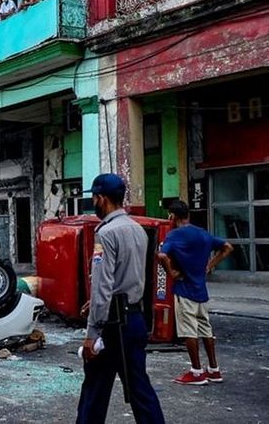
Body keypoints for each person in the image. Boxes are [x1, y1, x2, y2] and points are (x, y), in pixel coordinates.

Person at [76, 173, 165, 424]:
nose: (93, 204)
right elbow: (131, 278)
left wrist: (92, 335)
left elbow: (104, 285)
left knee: (94, 389)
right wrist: (95, 303)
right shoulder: (137, 229)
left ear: (102, 199)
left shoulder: (105, 233)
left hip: (112, 326)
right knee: (139, 389)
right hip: (134, 318)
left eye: (93, 198)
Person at [157, 199, 233, 385]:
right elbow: (228, 247)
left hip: (184, 290)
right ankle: (214, 369)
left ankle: (196, 371)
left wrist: (172, 272)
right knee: (206, 329)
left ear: (172, 216)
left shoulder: (174, 235)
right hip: (201, 291)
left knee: (188, 331)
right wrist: (210, 265)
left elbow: (161, 255)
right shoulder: (203, 234)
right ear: (188, 215)